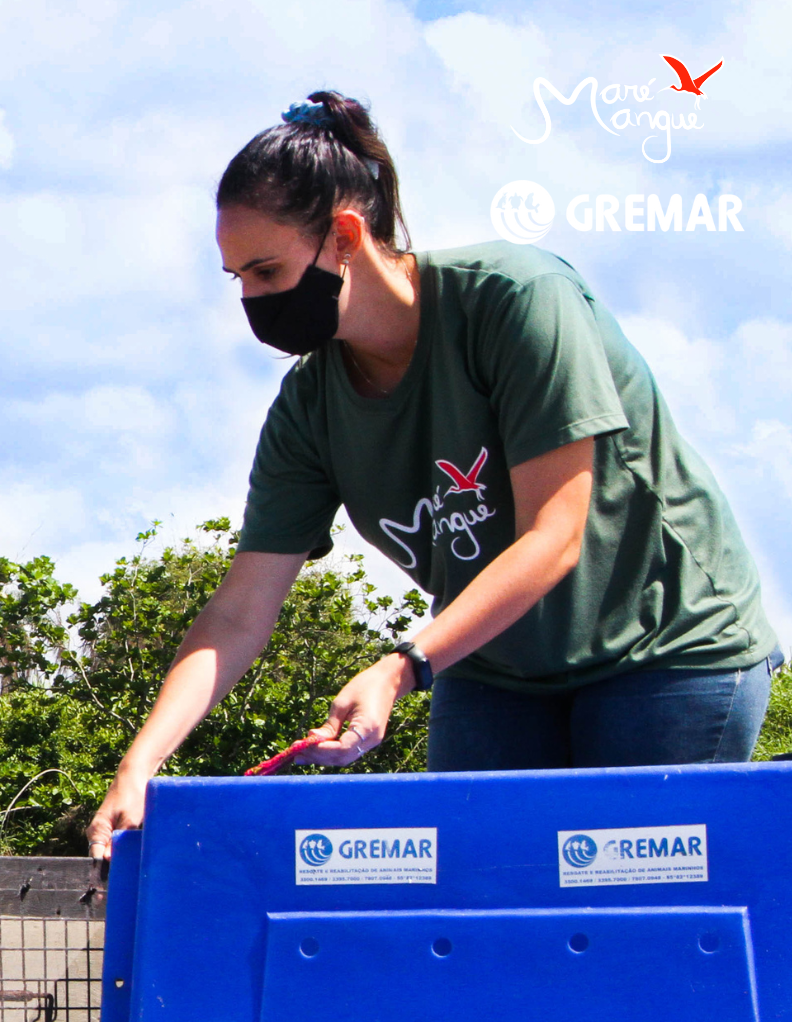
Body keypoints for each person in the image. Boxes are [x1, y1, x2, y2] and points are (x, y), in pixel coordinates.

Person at [88, 90, 778, 859]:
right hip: (499, 669)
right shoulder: (309, 407)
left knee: (627, 919)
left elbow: (556, 536)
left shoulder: (518, 301)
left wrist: (402, 667)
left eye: (267, 269)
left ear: (346, 236)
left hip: (666, 648)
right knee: (486, 913)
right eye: (236, 278)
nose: (251, 299)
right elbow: (240, 611)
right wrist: (140, 765)